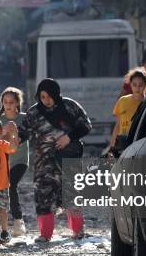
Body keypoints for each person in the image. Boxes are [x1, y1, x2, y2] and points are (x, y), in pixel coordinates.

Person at [20, 78, 92, 242]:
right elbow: (24, 132)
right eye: (42, 97)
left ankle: (78, 231)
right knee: (43, 195)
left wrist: (69, 137)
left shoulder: (69, 106)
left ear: (56, 94)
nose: (46, 101)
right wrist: (13, 138)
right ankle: (45, 234)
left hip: (69, 158)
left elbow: (86, 125)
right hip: (44, 162)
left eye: (49, 96)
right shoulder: (34, 112)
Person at [0, 87, 29, 237]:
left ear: (17, 103)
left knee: (11, 185)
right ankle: (1, 224)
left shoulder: (24, 118)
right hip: (3, 162)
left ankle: (18, 221)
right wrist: (2, 131)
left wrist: (14, 133)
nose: (8, 105)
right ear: (2, 103)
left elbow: (27, 135)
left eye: (12, 102)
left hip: (20, 161)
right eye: (6, 102)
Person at [109, 70, 146, 153]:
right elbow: (117, 125)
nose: (137, 88)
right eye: (134, 85)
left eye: (140, 85)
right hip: (121, 142)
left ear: (145, 85)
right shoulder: (122, 101)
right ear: (130, 85)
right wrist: (111, 147)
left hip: (138, 143)